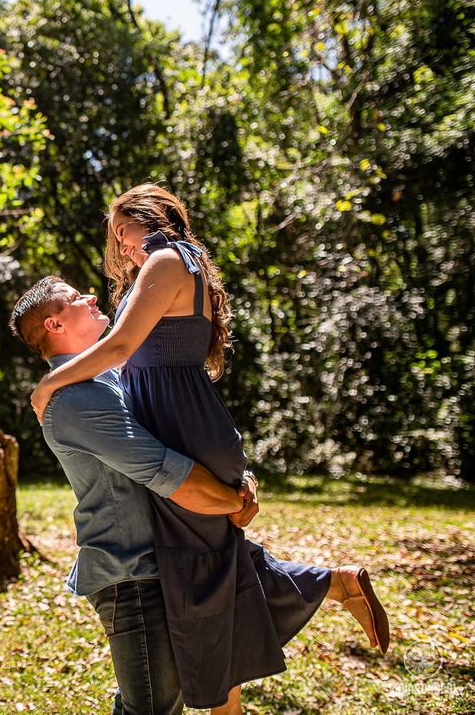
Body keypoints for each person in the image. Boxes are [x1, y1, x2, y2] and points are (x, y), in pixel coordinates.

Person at [28, 184, 390, 713]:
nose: (123, 247)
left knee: (204, 582)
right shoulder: (172, 264)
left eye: (123, 232)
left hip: (181, 424)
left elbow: (123, 347)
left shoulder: (168, 259)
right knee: (215, 572)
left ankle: (329, 589)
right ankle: (330, 588)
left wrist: (49, 386)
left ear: (146, 218)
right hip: (183, 422)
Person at [9, 276, 258, 715]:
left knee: (157, 702)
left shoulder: (112, 378)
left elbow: (185, 436)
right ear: (54, 324)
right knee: (153, 707)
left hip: (166, 562)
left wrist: (239, 480)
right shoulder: (74, 400)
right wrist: (232, 502)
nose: (89, 297)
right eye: (74, 298)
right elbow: (169, 472)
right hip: (132, 576)